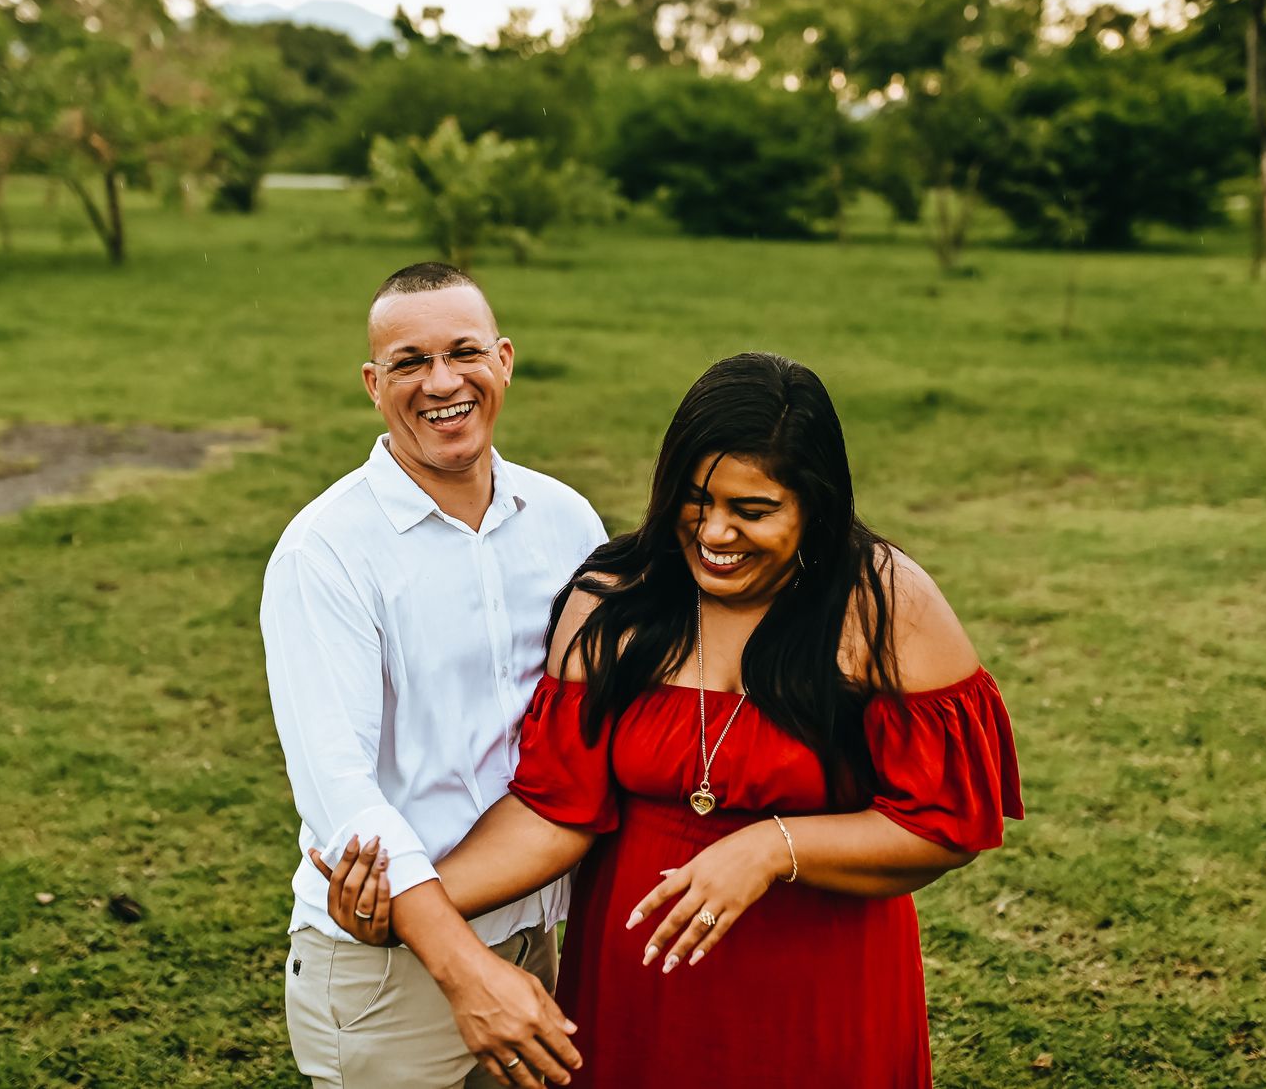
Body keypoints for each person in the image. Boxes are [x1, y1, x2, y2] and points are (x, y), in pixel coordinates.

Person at [322, 351, 1023, 1088]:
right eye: (696, 501)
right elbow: (557, 806)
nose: (715, 533)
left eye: (753, 511)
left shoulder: (885, 606)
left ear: (814, 506)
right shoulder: (618, 598)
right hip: (638, 993)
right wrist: (414, 898)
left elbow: (943, 825)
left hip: (819, 994)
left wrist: (769, 848)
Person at [262, 262, 605, 1089]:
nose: (441, 381)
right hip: (390, 971)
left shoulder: (567, 522)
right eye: (410, 362)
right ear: (374, 384)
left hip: (538, 938)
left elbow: (595, 728)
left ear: (506, 360)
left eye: (464, 352)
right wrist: (462, 969)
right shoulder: (326, 550)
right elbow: (340, 790)